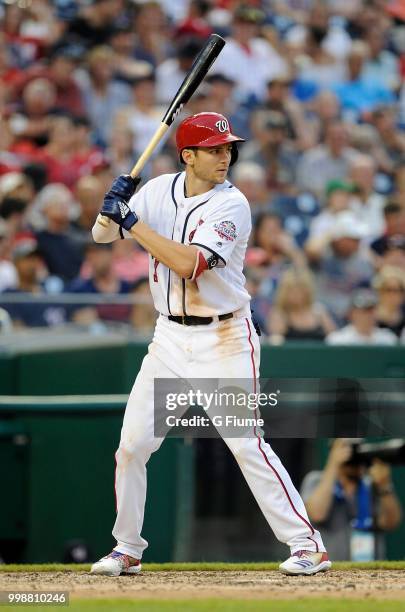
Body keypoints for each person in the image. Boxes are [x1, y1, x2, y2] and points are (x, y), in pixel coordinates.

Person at [90, 111, 331, 577]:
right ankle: (127, 547)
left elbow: (189, 265)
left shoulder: (232, 204)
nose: (226, 156)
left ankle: (307, 544)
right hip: (168, 336)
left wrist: (132, 221)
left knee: (245, 443)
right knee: (132, 445)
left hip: (223, 337)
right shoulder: (158, 188)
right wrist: (111, 206)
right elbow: (102, 235)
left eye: (227, 149)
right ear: (189, 155)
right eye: (215, 149)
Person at [301, 439, 402, 561]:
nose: (356, 461)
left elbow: (390, 523)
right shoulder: (316, 480)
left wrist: (384, 486)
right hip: (330, 570)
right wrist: (333, 465)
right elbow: (317, 514)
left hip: (372, 571)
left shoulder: (372, 484)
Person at [268, 268, 336, 343]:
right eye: (292, 291)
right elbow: (275, 341)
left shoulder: (319, 311)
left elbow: (333, 338)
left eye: (300, 290)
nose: (297, 295)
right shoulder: (280, 313)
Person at [326, 289, 397, 346]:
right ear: (352, 313)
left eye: (372, 310)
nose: (369, 315)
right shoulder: (338, 340)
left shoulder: (388, 339)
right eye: (364, 310)